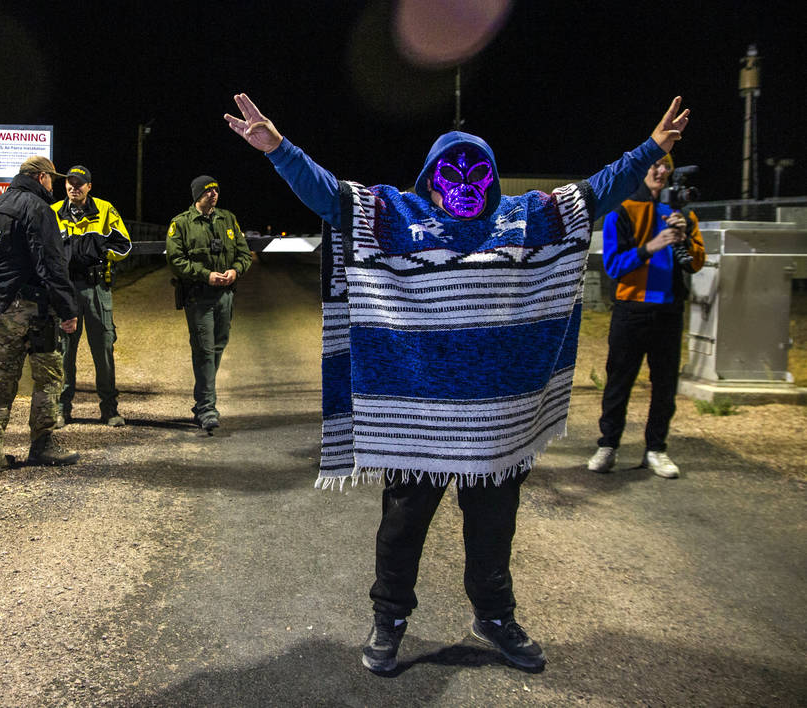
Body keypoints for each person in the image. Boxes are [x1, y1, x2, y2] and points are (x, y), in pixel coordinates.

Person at [225, 92, 690, 673]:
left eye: (479, 173)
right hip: (419, 422)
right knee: (402, 530)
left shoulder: (525, 219)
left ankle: (494, 617)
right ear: (429, 179)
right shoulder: (397, 217)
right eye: (452, 172)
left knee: (494, 531)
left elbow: (596, 191)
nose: (465, 183)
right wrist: (280, 150)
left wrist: (651, 147)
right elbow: (329, 195)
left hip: (495, 429)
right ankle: (389, 621)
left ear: (494, 181)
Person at [586, 154, 705, 479]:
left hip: (669, 311)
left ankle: (656, 449)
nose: (661, 170)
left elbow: (695, 263)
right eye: (655, 164)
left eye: (666, 165)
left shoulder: (682, 213)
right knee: (619, 383)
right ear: (642, 171)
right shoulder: (620, 212)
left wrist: (684, 241)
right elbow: (613, 266)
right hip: (631, 311)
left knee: (665, 385)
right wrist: (649, 247)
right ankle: (608, 445)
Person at [0, 156, 79, 477]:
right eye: (52, 179)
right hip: (35, 310)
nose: (53, 185)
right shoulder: (37, 208)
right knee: (47, 376)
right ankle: (43, 443)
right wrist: (68, 308)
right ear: (41, 177)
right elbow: (51, 263)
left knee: (0, 379)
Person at [166, 175, 252, 432]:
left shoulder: (227, 219)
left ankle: (202, 399)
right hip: (198, 296)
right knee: (204, 349)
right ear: (197, 195)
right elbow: (176, 260)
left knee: (218, 346)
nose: (213, 194)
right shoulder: (181, 223)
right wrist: (206, 275)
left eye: (215, 190)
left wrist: (236, 270)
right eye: (207, 191)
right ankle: (206, 408)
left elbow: (244, 253)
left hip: (225, 295)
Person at [50, 165, 132, 426]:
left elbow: (124, 245)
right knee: (64, 351)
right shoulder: (53, 213)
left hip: (96, 289)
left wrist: (97, 251)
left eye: (79, 183)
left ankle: (109, 408)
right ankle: (63, 408)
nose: (74, 187)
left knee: (103, 350)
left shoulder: (105, 210)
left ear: (89, 187)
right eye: (70, 183)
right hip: (66, 290)